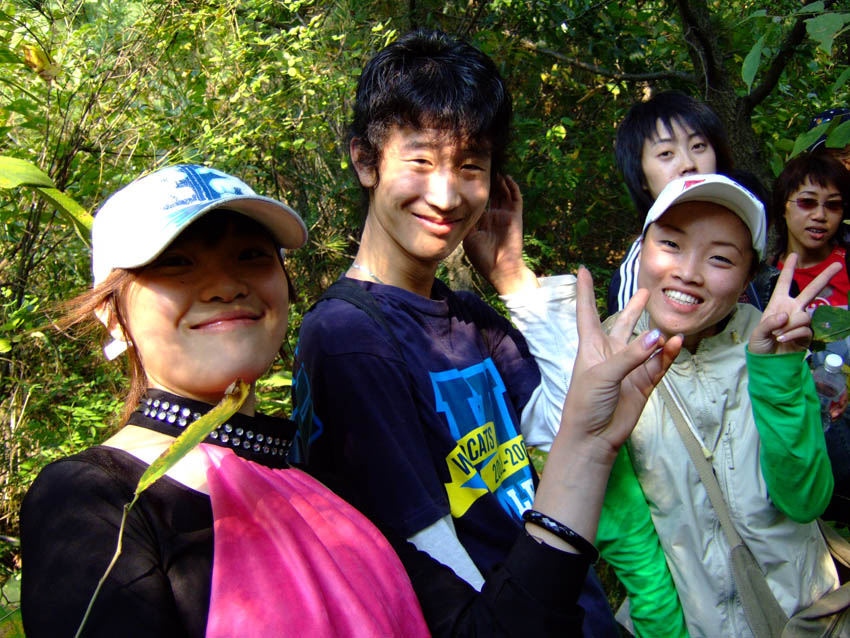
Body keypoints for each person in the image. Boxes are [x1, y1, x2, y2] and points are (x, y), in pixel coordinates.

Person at [20, 163, 682, 638]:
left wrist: (588, 446)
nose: (225, 284)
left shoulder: (319, 477)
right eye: (176, 264)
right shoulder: (95, 499)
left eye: (251, 255)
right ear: (112, 317)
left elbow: (494, 628)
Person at [291, 29, 618, 635]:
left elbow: (575, 428)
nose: (445, 195)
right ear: (365, 160)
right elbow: (424, 553)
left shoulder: (469, 316)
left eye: (470, 166)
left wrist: (515, 281)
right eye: (420, 161)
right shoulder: (347, 337)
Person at [595, 174, 842, 637]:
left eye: (721, 258)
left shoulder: (771, 345)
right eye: (671, 244)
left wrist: (779, 375)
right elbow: (624, 527)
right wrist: (662, 628)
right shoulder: (606, 357)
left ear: (748, 277)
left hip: (807, 617)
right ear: (640, 250)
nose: (688, 272)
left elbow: (805, 500)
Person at [607, 90, 733, 315]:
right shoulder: (638, 269)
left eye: (698, 146)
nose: (688, 164)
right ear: (641, 177)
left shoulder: (739, 244)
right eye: (666, 153)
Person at [771, 152, 850, 310]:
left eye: (833, 204)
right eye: (807, 202)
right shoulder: (762, 277)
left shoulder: (847, 263)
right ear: (783, 207)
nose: (820, 215)